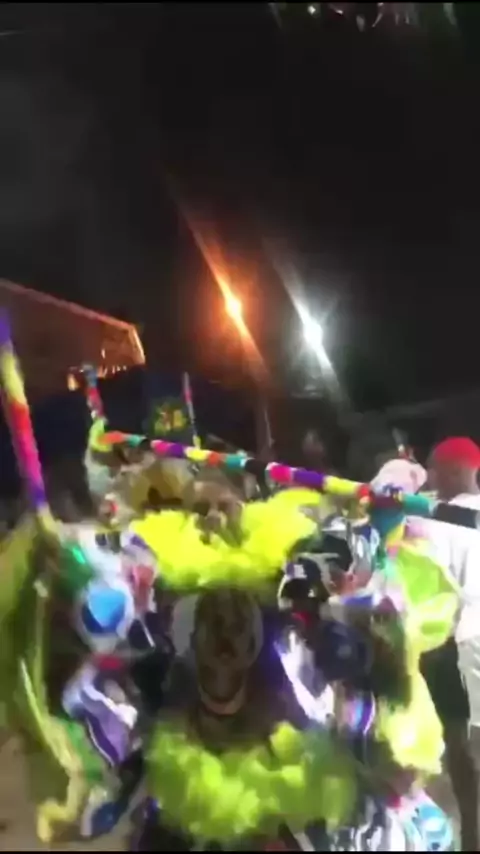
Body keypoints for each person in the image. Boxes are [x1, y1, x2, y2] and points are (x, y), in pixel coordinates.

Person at [421, 436, 480, 850]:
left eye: (433, 469)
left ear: (451, 471)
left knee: (462, 752)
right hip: (463, 646)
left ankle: (474, 837)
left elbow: (429, 591)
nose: (428, 479)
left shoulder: (438, 521)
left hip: (457, 647)